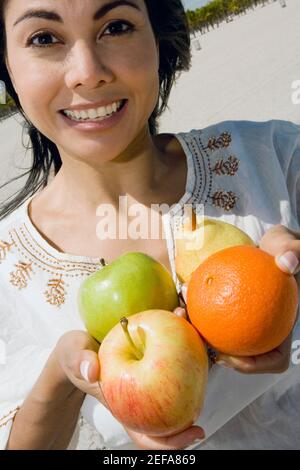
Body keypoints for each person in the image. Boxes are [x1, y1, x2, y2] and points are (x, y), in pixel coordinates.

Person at [0, 0, 299, 450]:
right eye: (44, 38)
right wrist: (64, 378)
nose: (88, 72)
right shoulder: (8, 273)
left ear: (157, 38)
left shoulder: (275, 159)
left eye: (116, 26)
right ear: (7, 64)